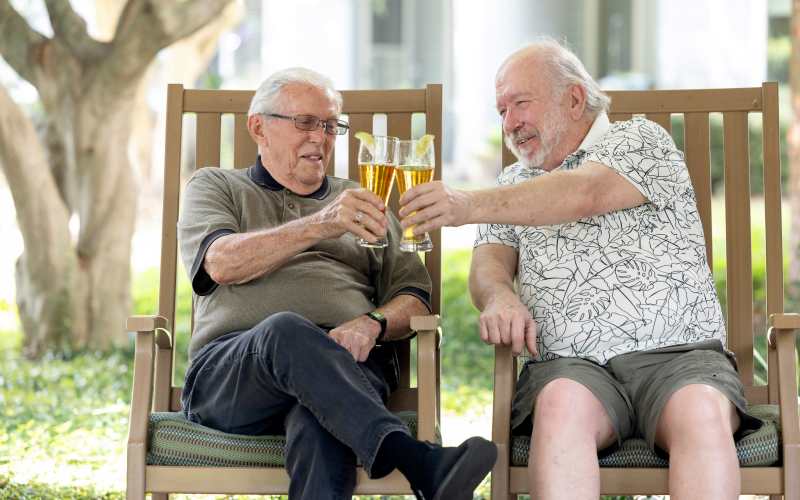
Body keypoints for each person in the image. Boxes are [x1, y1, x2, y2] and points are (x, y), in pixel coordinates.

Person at [398, 39, 762, 500]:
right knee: (560, 407)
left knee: (700, 414)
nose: (510, 123)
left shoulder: (639, 140)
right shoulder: (512, 183)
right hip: (570, 367)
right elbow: (489, 262)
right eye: (501, 111)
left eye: (520, 104)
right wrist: (499, 296)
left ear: (573, 99)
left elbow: (583, 194)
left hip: (679, 360)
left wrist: (465, 203)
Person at [177, 67, 496, 500]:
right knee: (285, 330)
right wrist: (321, 224)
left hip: (345, 372)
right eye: (306, 122)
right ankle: (417, 461)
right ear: (258, 128)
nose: (321, 137)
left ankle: (418, 463)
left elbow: (415, 299)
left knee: (319, 423)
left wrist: (373, 323)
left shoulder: (365, 202)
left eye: (330, 126)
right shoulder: (217, 185)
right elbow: (219, 263)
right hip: (233, 375)